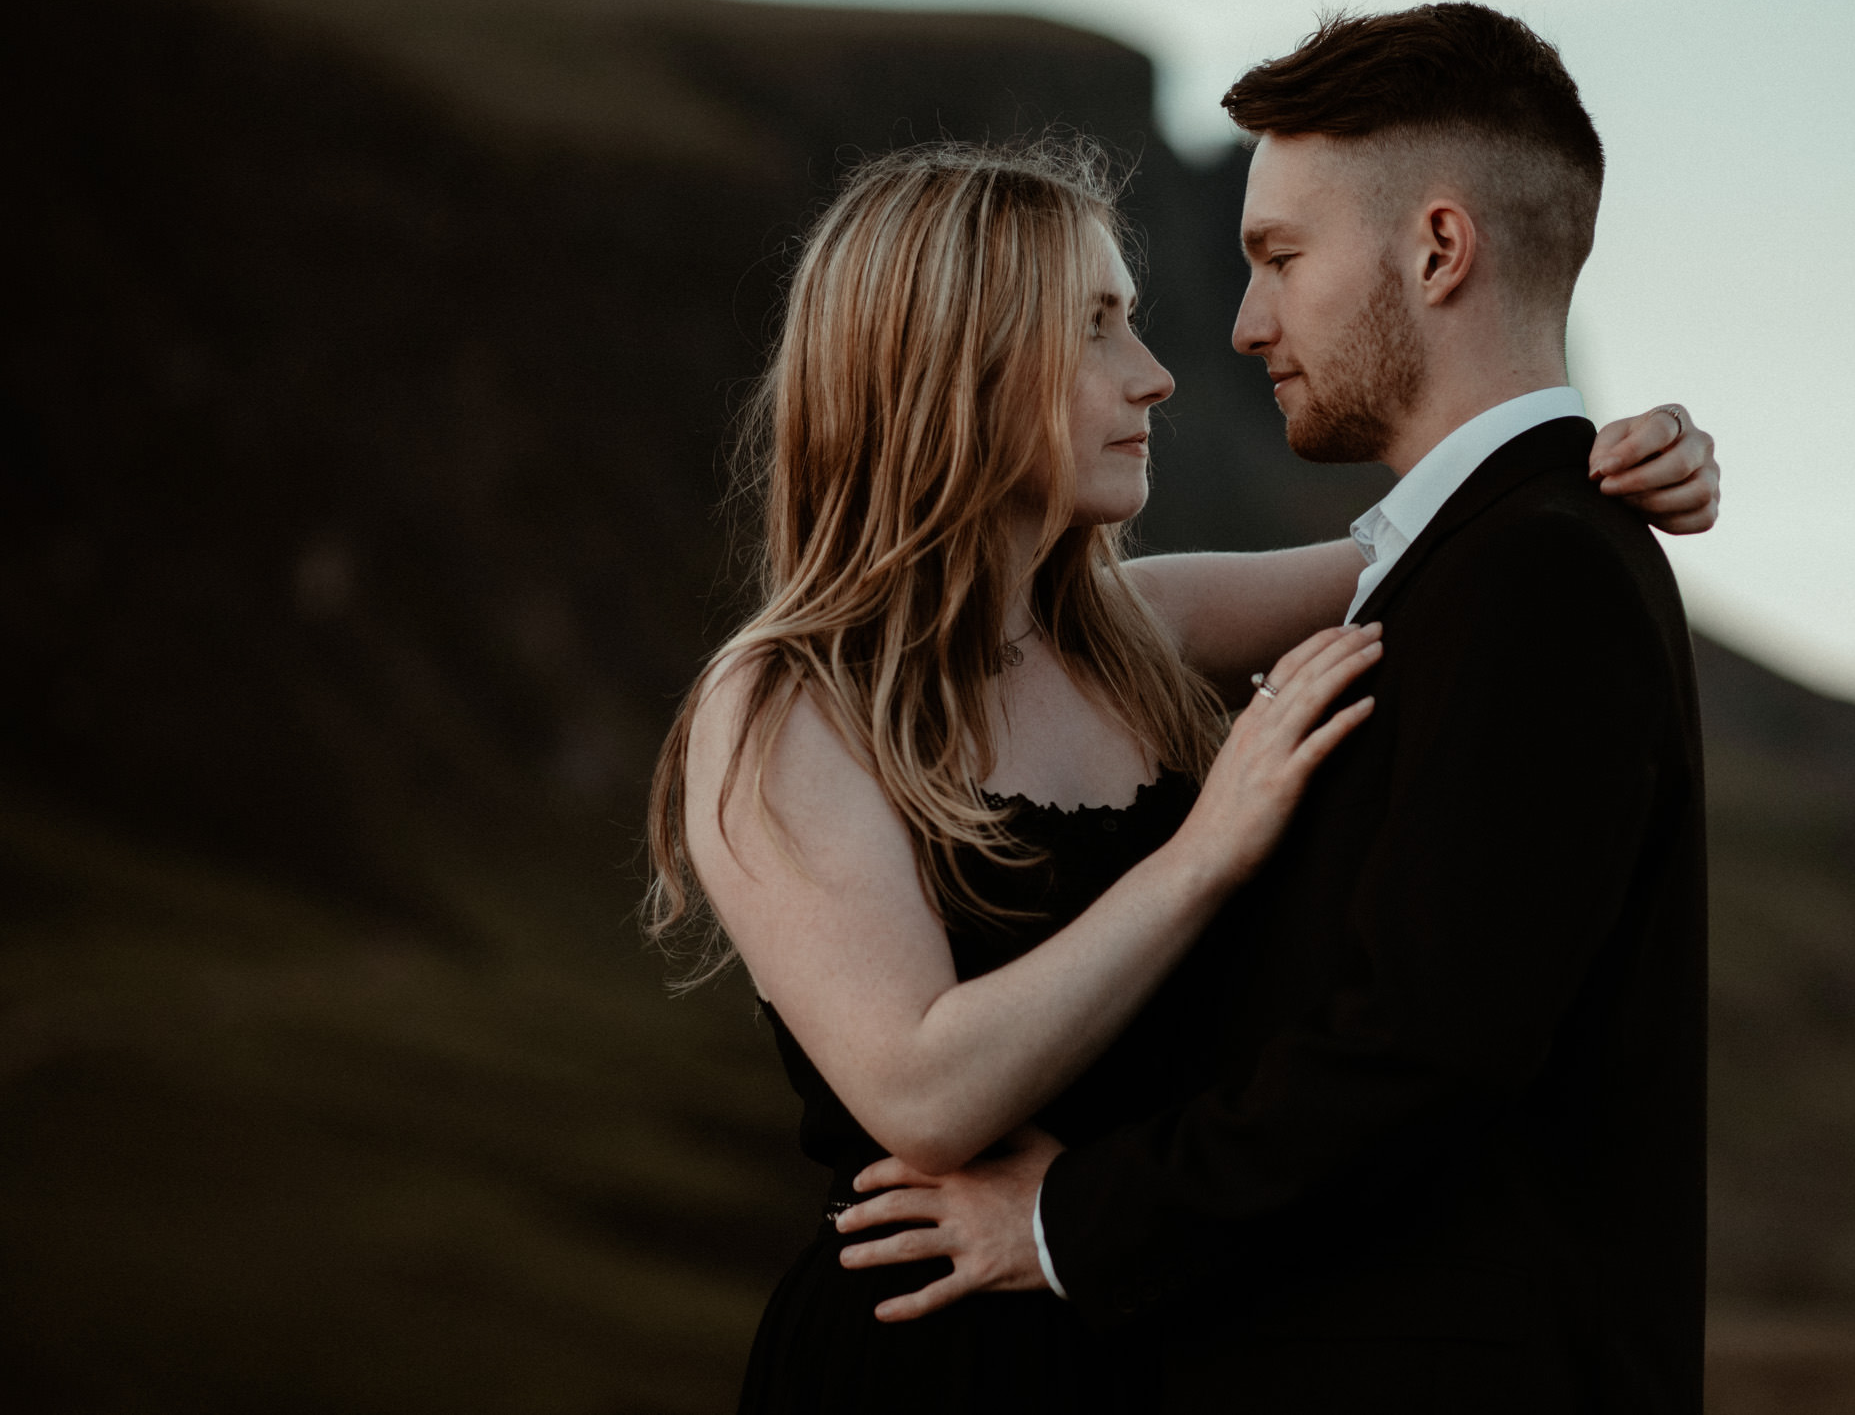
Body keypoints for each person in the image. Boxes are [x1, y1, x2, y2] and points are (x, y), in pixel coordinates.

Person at [646, 130, 1720, 1412]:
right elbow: (923, 1092)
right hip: (936, 1351)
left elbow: (1456, 543)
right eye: (1095, 328)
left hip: (1148, 1325)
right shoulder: (783, 701)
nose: (1154, 376)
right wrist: (1210, 848)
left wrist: (1619, 462)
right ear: (953, 365)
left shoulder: (1139, 628)